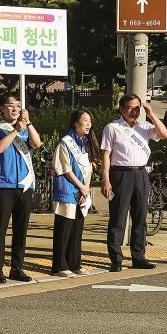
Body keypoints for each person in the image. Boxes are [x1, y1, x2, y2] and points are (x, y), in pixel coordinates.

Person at [101, 94, 167, 272]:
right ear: (122, 108)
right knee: (118, 218)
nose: (134, 111)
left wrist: (151, 114)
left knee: (140, 217)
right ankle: (116, 259)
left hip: (141, 174)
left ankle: (139, 257)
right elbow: (106, 155)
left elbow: (164, 134)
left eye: (137, 107)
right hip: (120, 175)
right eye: (130, 107)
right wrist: (105, 179)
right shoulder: (112, 128)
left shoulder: (144, 126)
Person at [0, 93, 42, 283]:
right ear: (3, 108)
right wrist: (15, 131)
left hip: (25, 185)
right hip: (3, 185)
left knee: (21, 228)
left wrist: (28, 123)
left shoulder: (26, 129)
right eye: (11, 105)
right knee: (1, 228)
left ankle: (17, 267)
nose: (14, 109)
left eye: (18, 106)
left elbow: (37, 144)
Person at [51, 109, 101, 277]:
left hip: (82, 191)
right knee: (64, 229)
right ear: (75, 122)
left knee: (77, 229)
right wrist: (81, 186)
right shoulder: (65, 143)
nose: (89, 124)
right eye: (85, 120)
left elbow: (90, 168)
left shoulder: (85, 143)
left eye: (90, 121)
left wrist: (86, 187)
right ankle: (60, 265)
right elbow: (65, 169)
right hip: (67, 190)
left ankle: (74, 263)